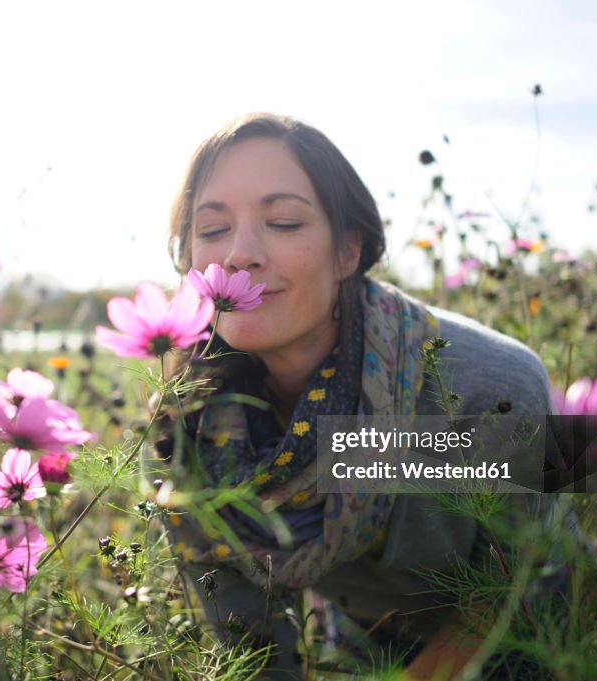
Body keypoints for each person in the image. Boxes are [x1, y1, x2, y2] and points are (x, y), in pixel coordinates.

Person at [151, 113, 571, 680]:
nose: (239, 254)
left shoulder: (486, 388)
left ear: (348, 250)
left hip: (531, 637)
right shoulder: (192, 415)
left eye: (283, 221)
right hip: (358, 637)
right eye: (213, 229)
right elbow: (250, 645)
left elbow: (503, 587)